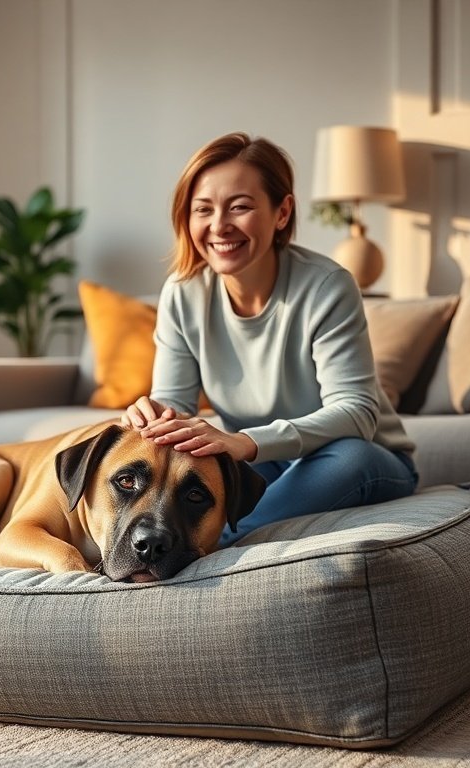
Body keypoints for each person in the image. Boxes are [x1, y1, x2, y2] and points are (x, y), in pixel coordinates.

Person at [122, 132, 418, 547]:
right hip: (266, 464)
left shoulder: (327, 286)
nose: (219, 226)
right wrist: (153, 416)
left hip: (359, 456)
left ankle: (210, 543)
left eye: (240, 207)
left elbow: (357, 412)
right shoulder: (183, 291)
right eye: (203, 209)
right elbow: (176, 410)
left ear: (282, 212)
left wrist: (245, 442)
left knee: (350, 456)